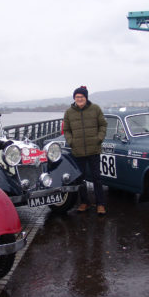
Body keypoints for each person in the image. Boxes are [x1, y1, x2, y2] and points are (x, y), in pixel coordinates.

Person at [63, 86, 107, 214]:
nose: (79, 99)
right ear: (74, 98)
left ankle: (100, 204)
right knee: (80, 178)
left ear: (86, 97)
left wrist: (99, 138)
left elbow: (103, 125)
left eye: (81, 97)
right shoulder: (69, 112)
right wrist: (71, 142)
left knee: (96, 178)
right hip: (78, 151)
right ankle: (84, 202)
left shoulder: (95, 109)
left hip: (94, 149)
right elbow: (66, 130)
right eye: (77, 97)